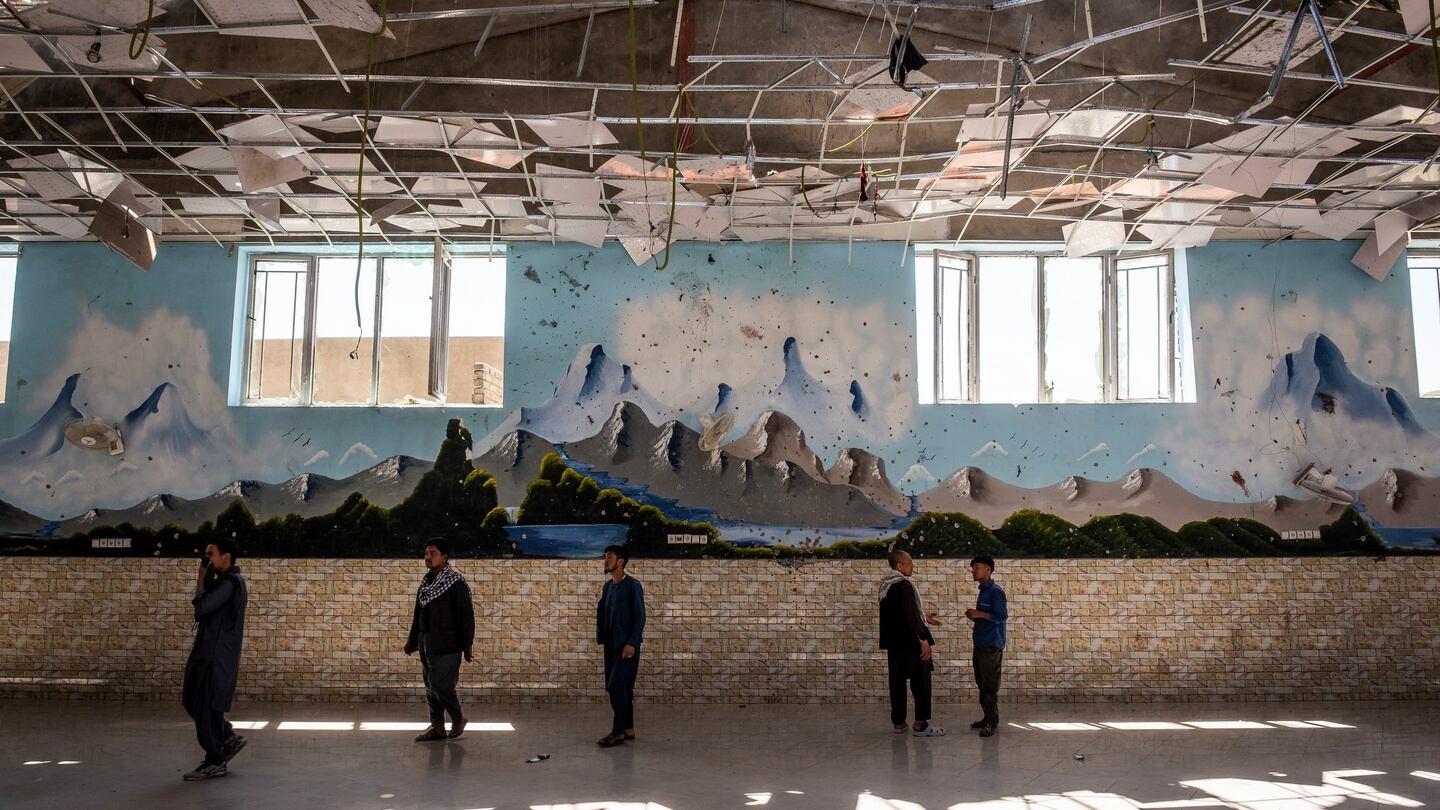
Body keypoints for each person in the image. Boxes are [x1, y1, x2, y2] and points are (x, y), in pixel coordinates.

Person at [182, 537, 249, 781]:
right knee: (194, 701)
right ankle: (227, 737)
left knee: (205, 706)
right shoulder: (223, 582)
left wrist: (200, 579)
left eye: (210, 554)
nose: (206, 559)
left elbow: (202, 608)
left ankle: (215, 759)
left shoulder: (230, 583)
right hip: (208, 654)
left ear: (226, 557)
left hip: (215, 657)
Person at [405, 538, 475, 742]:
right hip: (426, 642)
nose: (427, 557)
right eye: (426, 553)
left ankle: (458, 718)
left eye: (433, 553)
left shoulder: (455, 583)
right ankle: (437, 728)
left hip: (449, 645)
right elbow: (418, 614)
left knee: (439, 685)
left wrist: (467, 644)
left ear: (444, 557)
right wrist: (412, 641)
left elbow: (466, 616)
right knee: (430, 686)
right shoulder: (426, 584)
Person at [879, 549, 945, 737]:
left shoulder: (886, 586)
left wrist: (923, 616)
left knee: (897, 682)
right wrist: (923, 640)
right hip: (911, 644)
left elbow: (899, 615)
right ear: (899, 566)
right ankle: (920, 724)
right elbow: (909, 616)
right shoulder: (904, 586)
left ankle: (899, 723)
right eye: (909, 562)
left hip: (895, 645)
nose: (912, 566)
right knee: (921, 683)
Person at [595, 543, 645, 747]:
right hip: (610, 645)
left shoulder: (633, 586)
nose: (605, 561)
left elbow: (640, 617)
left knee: (616, 686)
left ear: (620, 561)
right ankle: (628, 728)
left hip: (627, 648)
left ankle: (617, 732)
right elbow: (603, 613)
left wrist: (632, 643)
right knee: (623, 688)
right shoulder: (608, 586)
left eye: (609, 557)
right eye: (605, 557)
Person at [965, 555, 1008, 738]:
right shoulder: (983, 590)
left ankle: (990, 722)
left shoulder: (995, 591)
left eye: (977, 567)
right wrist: (976, 615)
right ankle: (989, 717)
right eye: (973, 567)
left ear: (988, 570)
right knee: (982, 683)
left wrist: (979, 614)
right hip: (981, 643)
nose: (973, 570)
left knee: (989, 685)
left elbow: (1001, 616)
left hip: (991, 645)